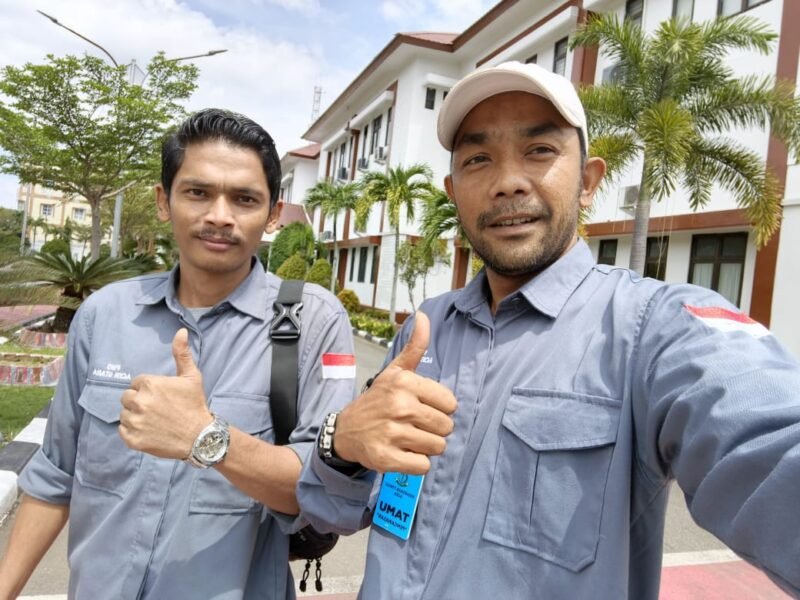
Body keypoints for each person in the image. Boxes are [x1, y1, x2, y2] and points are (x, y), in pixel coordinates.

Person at [295, 61, 800, 599]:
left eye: (539, 150)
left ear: (588, 182)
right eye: (478, 159)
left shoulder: (653, 330)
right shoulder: (426, 330)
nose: (507, 182)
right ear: (452, 190)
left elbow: (766, 442)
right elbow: (343, 509)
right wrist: (339, 443)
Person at [0, 109, 356, 599]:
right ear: (163, 201)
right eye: (198, 192)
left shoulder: (314, 322)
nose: (220, 216)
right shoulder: (104, 315)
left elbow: (326, 494)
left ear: (273, 214)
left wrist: (206, 438)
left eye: (245, 199)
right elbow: (55, 476)